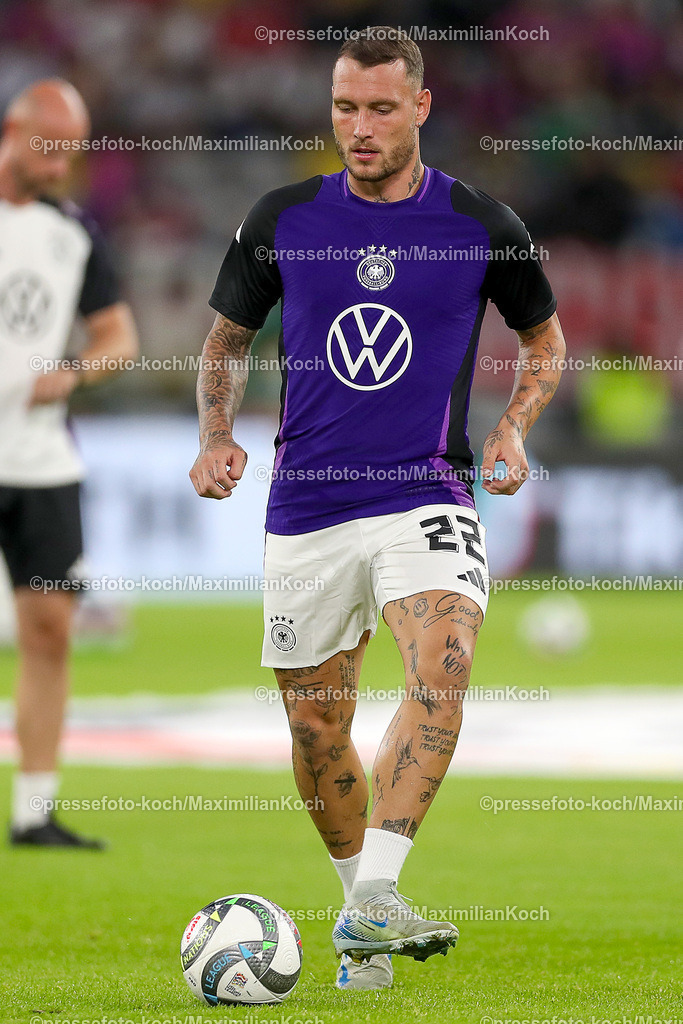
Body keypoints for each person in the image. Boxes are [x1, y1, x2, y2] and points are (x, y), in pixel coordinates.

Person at [190, 28, 565, 990]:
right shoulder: (282, 218)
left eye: (380, 109)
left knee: (444, 663)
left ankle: (380, 894)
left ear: (420, 108)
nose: (359, 128)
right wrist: (216, 435)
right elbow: (225, 342)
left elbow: (545, 340)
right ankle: (361, 918)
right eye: (344, 108)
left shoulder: (480, 224)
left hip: (424, 491)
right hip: (306, 507)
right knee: (317, 727)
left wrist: (513, 427)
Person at [0, 80, 139, 847]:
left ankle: (35, 810)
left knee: (50, 628)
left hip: (42, 461)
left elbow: (119, 335)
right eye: (49, 150)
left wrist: (77, 371)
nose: (59, 168)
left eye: (70, 154)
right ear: (13, 131)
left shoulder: (73, 233)